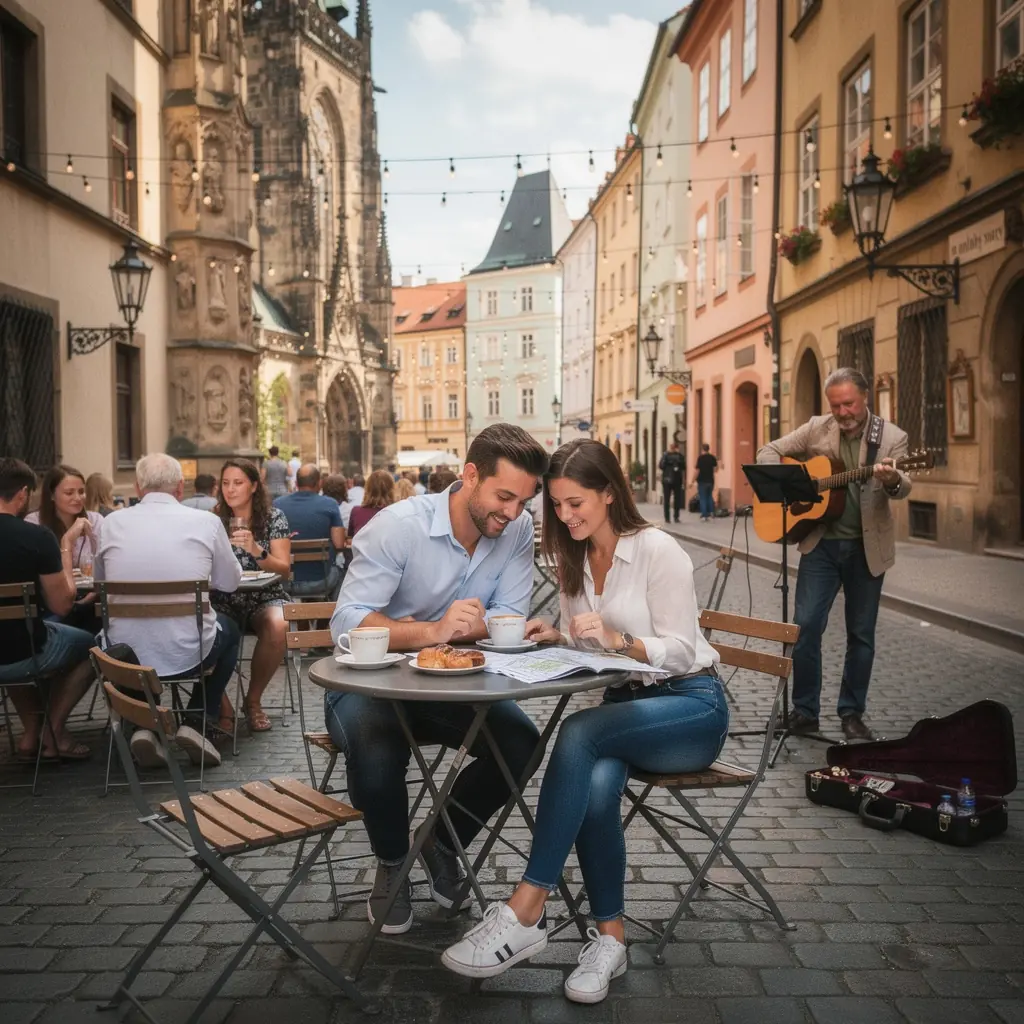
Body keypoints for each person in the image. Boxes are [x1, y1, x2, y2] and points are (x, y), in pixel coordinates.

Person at [442, 439, 726, 1002]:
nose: (566, 516)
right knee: (594, 786)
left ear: (609, 492)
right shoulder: (572, 558)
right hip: (625, 711)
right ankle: (610, 941)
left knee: (577, 732)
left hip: (690, 707)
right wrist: (561, 634)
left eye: (577, 504)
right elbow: (590, 639)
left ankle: (527, 908)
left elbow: (683, 648)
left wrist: (624, 641)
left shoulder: (657, 549)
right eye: (557, 505)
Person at [328, 423, 549, 936]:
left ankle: (443, 839)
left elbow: (509, 612)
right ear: (470, 475)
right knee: (376, 737)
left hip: (451, 687)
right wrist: (432, 631)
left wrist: (499, 625)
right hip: (368, 682)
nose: (514, 513)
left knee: (522, 743)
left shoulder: (514, 530)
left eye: (524, 501)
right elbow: (346, 621)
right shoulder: (398, 526)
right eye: (504, 496)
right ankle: (391, 863)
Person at [756, 367, 910, 741]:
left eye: (849, 404)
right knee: (805, 626)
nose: (842, 412)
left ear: (864, 398)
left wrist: (892, 480)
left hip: (867, 548)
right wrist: (794, 484)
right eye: (836, 405)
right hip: (821, 544)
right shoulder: (816, 428)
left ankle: (851, 713)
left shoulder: (891, 437)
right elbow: (768, 451)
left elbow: (904, 485)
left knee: (861, 635)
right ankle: (805, 712)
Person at [95, 453, 243, 769]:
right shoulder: (207, 522)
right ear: (180, 487)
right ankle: (195, 720)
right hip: (192, 651)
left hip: (125, 657)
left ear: (137, 486)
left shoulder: (110, 523)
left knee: (120, 641)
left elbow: (99, 582)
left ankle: (145, 724)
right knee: (231, 630)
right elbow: (230, 583)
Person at [0, 458, 97, 761]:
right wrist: (66, 544)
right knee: (93, 647)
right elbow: (62, 604)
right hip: (24, 649)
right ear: (23, 494)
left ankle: (31, 733)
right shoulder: (36, 536)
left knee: (18, 635)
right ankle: (52, 731)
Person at [211, 459, 292, 733]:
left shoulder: (273, 517)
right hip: (223, 598)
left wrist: (257, 550)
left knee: (279, 624)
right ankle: (221, 705)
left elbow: (284, 570)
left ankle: (253, 701)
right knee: (200, 628)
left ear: (254, 486)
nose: (230, 490)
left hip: (264, 596)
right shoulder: (213, 520)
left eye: (238, 483)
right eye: (225, 483)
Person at [273, 464, 344, 599]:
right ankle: (327, 618)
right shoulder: (330, 504)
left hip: (286, 581)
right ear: (320, 483)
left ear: (296, 483)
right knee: (343, 573)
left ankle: (304, 620)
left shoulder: (277, 504)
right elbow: (339, 543)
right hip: (322, 580)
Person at [26, 465, 103, 571]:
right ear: (52, 495)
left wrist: (92, 536)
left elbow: (102, 562)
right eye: (69, 493)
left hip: (90, 586)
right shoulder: (34, 523)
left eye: (81, 492)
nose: (77, 498)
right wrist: (68, 538)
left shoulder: (95, 520)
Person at [347, 470, 395, 540]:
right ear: (391, 489)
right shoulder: (395, 513)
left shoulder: (356, 512)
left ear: (367, 488)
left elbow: (350, 538)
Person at [658, 441, 685, 523]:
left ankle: (668, 518)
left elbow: (661, 466)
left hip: (667, 479)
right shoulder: (679, 456)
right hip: (676, 479)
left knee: (667, 499)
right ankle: (675, 517)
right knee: (676, 499)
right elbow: (684, 467)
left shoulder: (666, 455)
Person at [694, 443, 719, 521]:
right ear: (709, 449)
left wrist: (692, 481)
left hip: (702, 480)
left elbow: (697, 470)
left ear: (702, 449)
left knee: (703, 498)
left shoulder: (700, 458)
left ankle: (704, 515)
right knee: (709, 496)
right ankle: (711, 512)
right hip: (710, 480)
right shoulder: (712, 458)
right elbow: (716, 469)